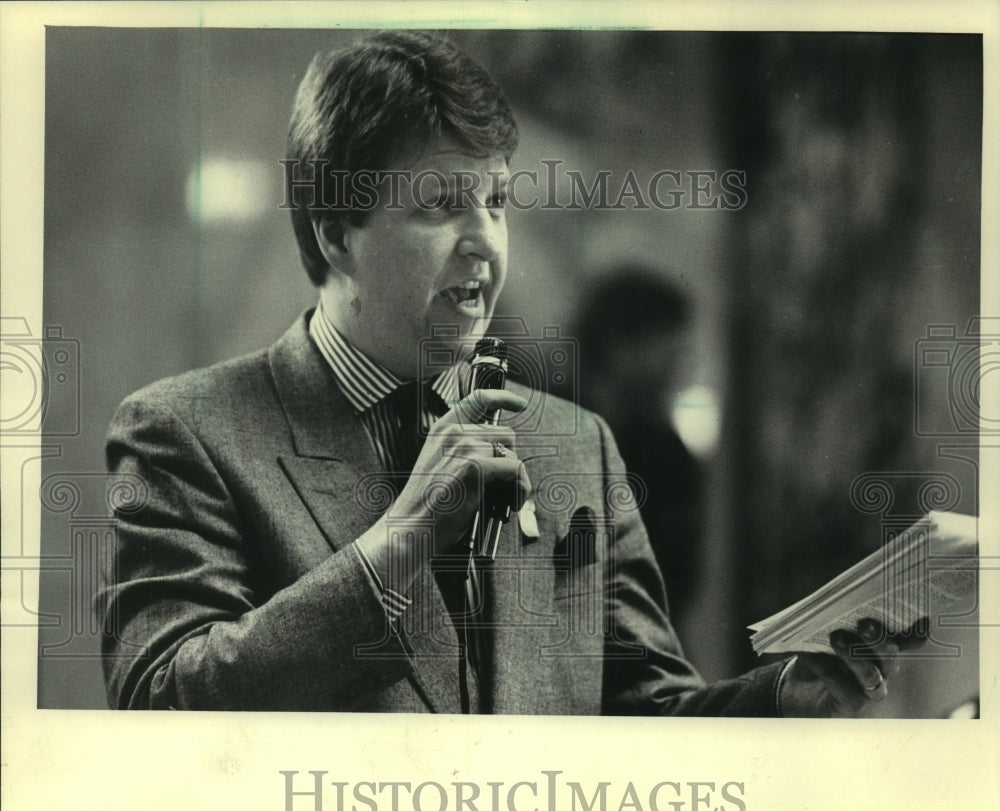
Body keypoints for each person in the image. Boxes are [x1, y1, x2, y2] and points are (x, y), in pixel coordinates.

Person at [98, 30, 912, 715]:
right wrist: (402, 544)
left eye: (494, 201)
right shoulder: (186, 432)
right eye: (441, 204)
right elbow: (161, 703)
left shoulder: (574, 443)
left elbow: (648, 713)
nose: (485, 242)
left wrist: (781, 697)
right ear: (339, 229)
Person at [573, 268, 703, 630]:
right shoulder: (556, 433)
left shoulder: (669, 452)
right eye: (667, 348)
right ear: (619, 343)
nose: (676, 367)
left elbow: (678, 585)